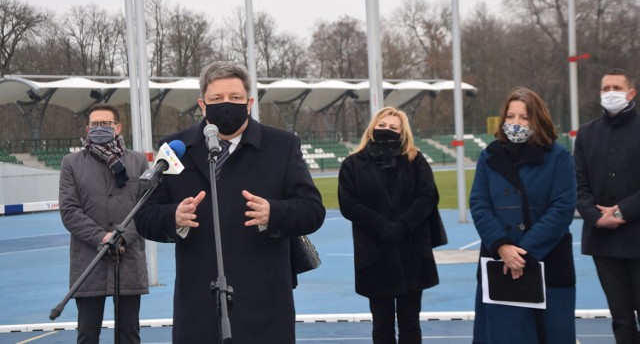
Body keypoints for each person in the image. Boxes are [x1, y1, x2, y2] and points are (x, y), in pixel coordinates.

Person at [134, 61, 325, 344]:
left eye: (235, 98)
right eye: (217, 99)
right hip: (198, 303)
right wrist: (173, 217)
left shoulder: (282, 146)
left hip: (265, 303)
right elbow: (144, 216)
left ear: (248, 103)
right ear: (202, 104)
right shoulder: (176, 148)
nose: (227, 104)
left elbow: (312, 210)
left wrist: (275, 212)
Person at [470, 87, 577, 344]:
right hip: (500, 265)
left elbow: (562, 209)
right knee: (504, 335)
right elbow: (479, 205)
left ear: (537, 119)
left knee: (550, 335)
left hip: (548, 264)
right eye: (510, 116)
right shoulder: (489, 156)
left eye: (524, 117)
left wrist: (524, 252)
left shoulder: (558, 156)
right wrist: (502, 246)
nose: (516, 123)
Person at [338, 106, 441, 343]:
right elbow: (349, 204)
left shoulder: (415, 159)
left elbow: (427, 197)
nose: (387, 130)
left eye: (394, 127)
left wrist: (403, 225)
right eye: (382, 125)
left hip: (412, 252)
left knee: (410, 323)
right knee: (381, 325)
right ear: (372, 127)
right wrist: (383, 226)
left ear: (403, 132)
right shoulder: (352, 164)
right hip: (374, 253)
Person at [58, 103, 149, 344]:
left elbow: (145, 208)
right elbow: (69, 211)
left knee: (128, 334)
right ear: (87, 129)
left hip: (127, 257)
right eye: (94, 125)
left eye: (105, 124)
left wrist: (122, 237)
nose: (99, 128)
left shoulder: (138, 162)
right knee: (87, 335)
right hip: (88, 259)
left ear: (118, 127)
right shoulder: (71, 163)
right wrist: (103, 237)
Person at [574, 68, 640, 343]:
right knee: (621, 317)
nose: (610, 92)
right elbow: (579, 185)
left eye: (616, 87)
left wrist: (623, 211)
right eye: (605, 88)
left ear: (631, 93)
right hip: (603, 240)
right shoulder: (587, 133)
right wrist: (595, 216)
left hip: (637, 236)